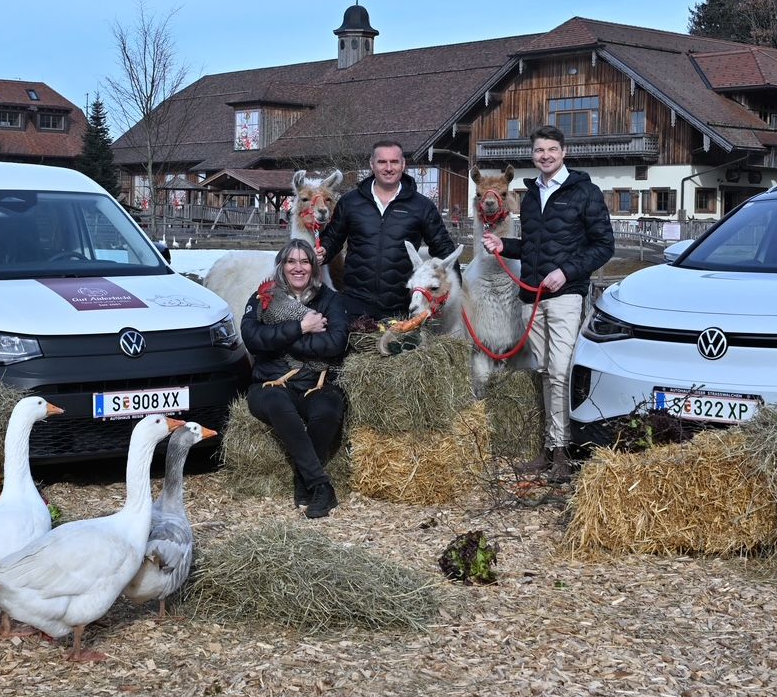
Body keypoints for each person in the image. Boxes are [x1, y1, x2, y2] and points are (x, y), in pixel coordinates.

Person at [480, 125, 615, 483]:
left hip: (565, 295)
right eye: (540, 151)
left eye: (552, 150)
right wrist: (503, 247)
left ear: (564, 152)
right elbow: (532, 249)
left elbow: (604, 245)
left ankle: (563, 453)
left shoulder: (585, 193)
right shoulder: (531, 195)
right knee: (542, 372)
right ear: (533, 155)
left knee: (560, 371)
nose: (546, 156)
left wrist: (566, 272)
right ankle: (549, 449)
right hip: (533, 297)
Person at [241, 239, 350, 518]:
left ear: (314, 267)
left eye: (304, 261)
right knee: (279, 404)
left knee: (328, 409)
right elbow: (253, 340)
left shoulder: (331, 299)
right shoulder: (262, 297)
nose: (298, 267)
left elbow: (335, 343)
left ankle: (303, 480)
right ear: (281, 266)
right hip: (270, 382)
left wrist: (283, 340)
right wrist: (300, 328)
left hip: (316, 381)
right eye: (291, 261)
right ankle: (320, 484)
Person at [319, 140, 457, 322]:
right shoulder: (350, 202)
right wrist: (323, 251)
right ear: (372, 164)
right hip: (355, 302)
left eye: (394, 162)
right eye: (382, 162)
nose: (389, 168)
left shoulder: (421, 206)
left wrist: (456, 287)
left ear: (403, 164)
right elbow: (332, 239)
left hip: (400, 305)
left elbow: (443, 247)